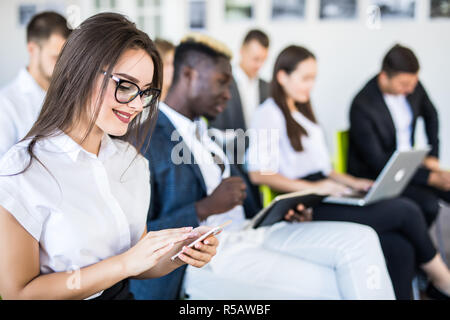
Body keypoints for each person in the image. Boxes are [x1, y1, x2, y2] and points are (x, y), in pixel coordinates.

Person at [129, 33, 396, 300]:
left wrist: (281, 212)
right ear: (189, 75)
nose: (227, 95)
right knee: (336, 285)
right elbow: (136, 237)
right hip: (205, 259)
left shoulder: (206, 135)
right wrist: (204, 208)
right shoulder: (146, 139)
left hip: (251, 232)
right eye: (221, 83)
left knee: (363, 240)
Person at [0, 13, 219, 300]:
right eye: (125, 86)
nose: (138, 104)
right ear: (78, 72)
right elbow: (19, 293)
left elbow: (136, 263)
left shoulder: (130, 161)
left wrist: (181, 253)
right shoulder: (22, 170)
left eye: (146, 92)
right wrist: (125, 264)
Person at [247, 45, 450, 300]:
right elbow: (259, 174)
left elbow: (325, 169)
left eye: (314, 78)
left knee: (399, 245)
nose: (310, 85)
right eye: (305, 78)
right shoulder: (268, 114)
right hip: (305, 203)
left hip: (327, 191)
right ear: (282, 77)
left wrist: (354, 182)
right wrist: (315, 188)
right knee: (405, 209)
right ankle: (443, 280)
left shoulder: (302, 112)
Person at [348, 44, 450, 227]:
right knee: (428, 204)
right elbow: (378, 162)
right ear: (384, 77)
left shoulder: (412, 86)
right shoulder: (362, 105)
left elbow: (431, 115)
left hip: (412, 166)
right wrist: (429, 177)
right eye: (404, 84)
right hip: (380, 175)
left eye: (413, 83)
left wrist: (433, 156)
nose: (410, 89)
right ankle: (420, 251)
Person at [0, 11, 71, 157]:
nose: (62, 66)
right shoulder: (6, 104)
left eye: (66, 58)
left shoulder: (70, 94)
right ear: (32, 49)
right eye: (55, 57)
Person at [210, 29, 270, 132]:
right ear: (242, 51)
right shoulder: (221, 84)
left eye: (263, 60)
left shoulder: (267, 87)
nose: (259, 65)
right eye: (255, 59)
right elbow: (215, 130)